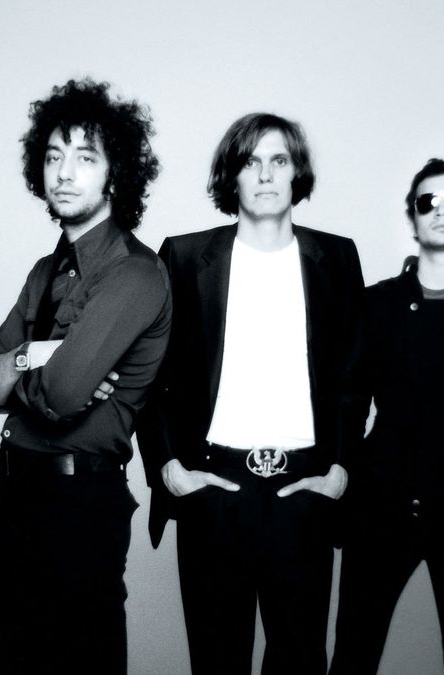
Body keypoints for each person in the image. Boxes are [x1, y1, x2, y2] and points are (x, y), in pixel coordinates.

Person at [138, 112, 364, 675]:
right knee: (217, 662)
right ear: (231, 176)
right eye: (250, 161)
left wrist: (340, 471)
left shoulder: (337, 258)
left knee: (301, 663)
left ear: (296, 173)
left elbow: (351, 378)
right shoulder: (184, 258)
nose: (265, 174)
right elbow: (149, 375)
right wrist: (169, 468)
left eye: (279, 160)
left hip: (303, 491)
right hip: (214, 489)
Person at [0, 78, 169, 674]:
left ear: (115, 174)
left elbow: (61, 396)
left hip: (81, 504)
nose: (64, 172)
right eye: (54, 156)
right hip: (17, 497)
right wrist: (38, 353)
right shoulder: (45, 269)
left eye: (85, 157)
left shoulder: (135, 273)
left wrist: (30, 373)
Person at [328, 158, 444, 675]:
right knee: (353, 656)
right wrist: (343, 489)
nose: (442, 211)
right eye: (427, 201)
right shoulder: (375, 305)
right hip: (381, 504)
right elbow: (348, 401)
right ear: (411, 217)